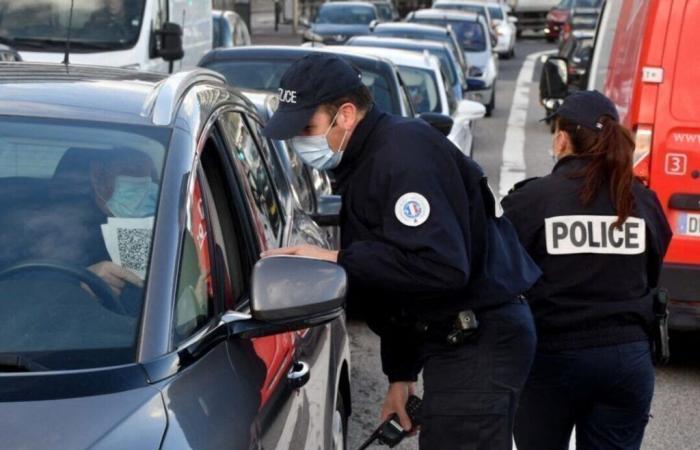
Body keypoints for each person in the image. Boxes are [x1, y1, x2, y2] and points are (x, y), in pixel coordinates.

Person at [260, 53, 541, 449]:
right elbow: (399, 289)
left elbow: (440, 267)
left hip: (480, 340)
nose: (301, 141)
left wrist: (339, 259)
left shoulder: (403, 156)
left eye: (308, 127)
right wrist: (401, 375)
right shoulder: (368, 159)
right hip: (456, 338)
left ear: (345, 115)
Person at [501, 91, 672, 450]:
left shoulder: (532, 200)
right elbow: (654, 266)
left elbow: (503, 275)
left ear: (562, 138)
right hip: (627, 359)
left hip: (551, 358)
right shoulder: (641, 200)